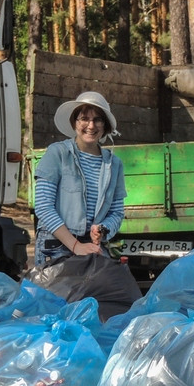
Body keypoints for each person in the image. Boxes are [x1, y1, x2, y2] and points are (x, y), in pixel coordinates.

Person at [33, 91, 126, 265]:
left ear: (105, 125)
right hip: (56, 245)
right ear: (74, 122)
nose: (91, 125)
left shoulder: (114, 164)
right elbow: (43, 207)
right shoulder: (57, 153)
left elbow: (117, 212)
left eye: (97, 120)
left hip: (91, 246)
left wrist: (103, 229)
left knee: (113, 281)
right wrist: (75, 246)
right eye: (84, 118)